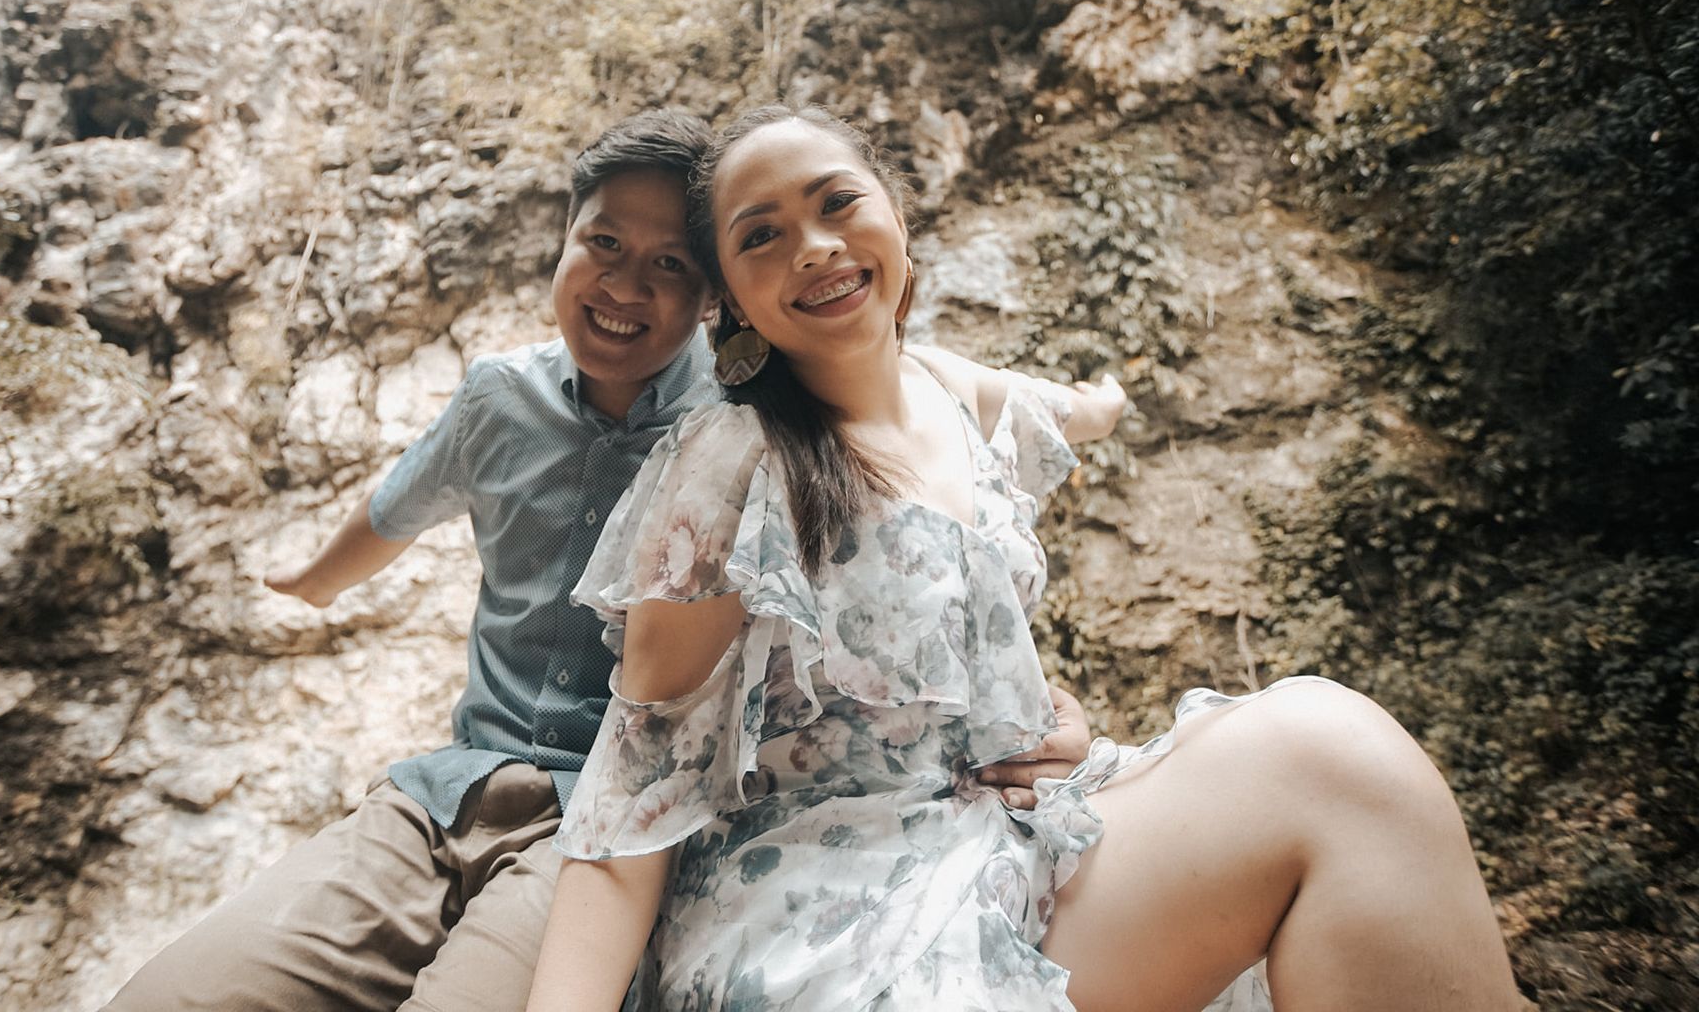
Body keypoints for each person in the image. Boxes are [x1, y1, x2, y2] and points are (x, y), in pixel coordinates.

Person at [526, 105, 1528, 1012]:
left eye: (837, 203)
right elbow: (634, 788)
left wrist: (1104, 401)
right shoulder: (731, 458)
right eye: (762, 236)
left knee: (1338, 753)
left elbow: (1063, 406)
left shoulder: (953, 399)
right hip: (823, 908)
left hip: (1016, 837)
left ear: (895, 214)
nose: (815, 246)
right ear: (733, 302)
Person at [105, 109, 1093, 1011]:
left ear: (714, 301)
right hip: (443, 795)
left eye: (670, 264)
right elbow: (393, 510)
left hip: (606, 829)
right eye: (604, 245)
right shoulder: (499, 397)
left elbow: (921, 418)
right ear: (565, 241)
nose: (625, 286)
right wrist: (314, 583)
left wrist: (1026, 709)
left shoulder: (752, 421)